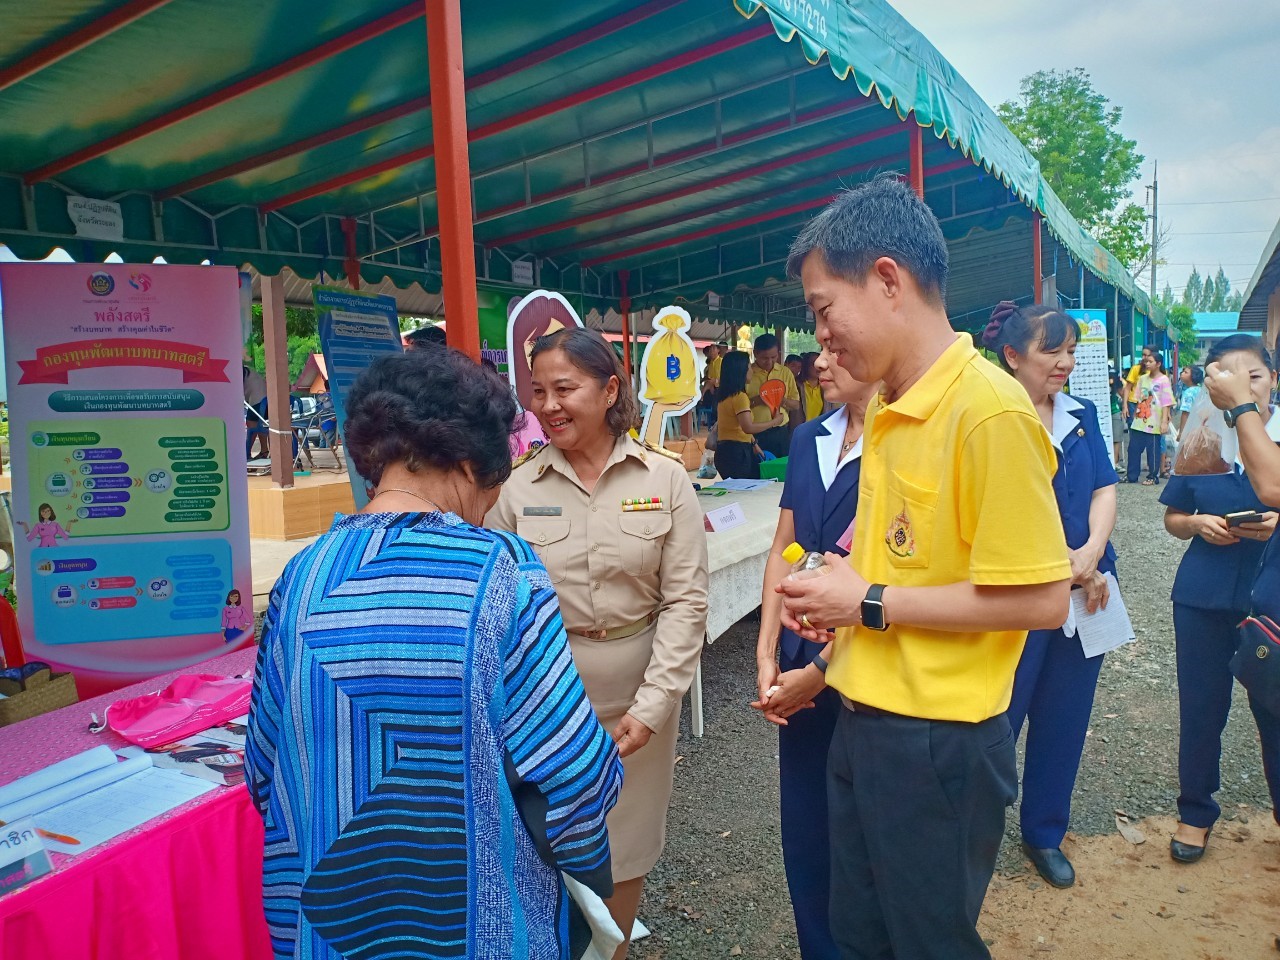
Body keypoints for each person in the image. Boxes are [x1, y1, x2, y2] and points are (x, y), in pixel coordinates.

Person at [245, 348, 623, 960]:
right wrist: (589, 872)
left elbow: (264, 769)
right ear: (470, 464)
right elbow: (571, 773)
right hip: (477, 933)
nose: (487, 509)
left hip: (332, 927)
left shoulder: (301, 578)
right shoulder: (504, 573)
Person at [778, 177, 1072, 960]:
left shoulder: (988, 412)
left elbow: (1043, 599)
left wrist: (866, 600)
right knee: (861, 934)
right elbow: (897, 560)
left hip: (938, 741)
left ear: (885, 280)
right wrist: (836, 608)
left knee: (928, 943)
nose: (821, 337)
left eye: (821, 309)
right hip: (862, 718)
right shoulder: (888, 407)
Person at [486, 327, 708, 959]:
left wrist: (653, 705)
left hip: (638, 700)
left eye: (565, 389)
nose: (548, 406)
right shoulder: (515, 489)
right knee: (540, 841)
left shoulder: (664, 480)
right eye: (538, 392)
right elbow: (495, 604)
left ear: (610, 389)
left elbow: (686, 602)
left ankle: (612, 953)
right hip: (542, 702)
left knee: (626, 845)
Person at [982, 301, 1118, 888]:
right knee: (998, 718)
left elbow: (1106, 488)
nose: (1064, 362)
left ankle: (1044, 832)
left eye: (1070, 351)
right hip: (1019, 596)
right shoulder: (994, 418)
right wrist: (1059, 567)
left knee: (1066, 716)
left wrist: (1089, 556)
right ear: (1012, 357)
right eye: (1051, 351)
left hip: (1088, 593)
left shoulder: (1083, 414)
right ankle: (977, 829)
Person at [753, 346, 879, 960]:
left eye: (836, 349)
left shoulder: (902, 442)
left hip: (872, 657)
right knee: (807, 825)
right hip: (803, 647)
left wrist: (821, 674)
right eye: (819, 348)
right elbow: (786, 541)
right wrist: (767, 647)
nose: (820, 364)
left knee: (868, 832)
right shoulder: (808, 437)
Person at [1163, 334, 1280, 861]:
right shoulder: (1202, 432)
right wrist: (1195, 523)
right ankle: (1195, 813)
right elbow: (1172, 517)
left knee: (1275, 709)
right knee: (1202, 708)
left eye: (1252, 375)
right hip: (1203, 595)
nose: (1240, 385)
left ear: (1272, 379)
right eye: (1227, 376)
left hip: (1270, 598)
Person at [714, 350, 785, 479]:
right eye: (748, 367)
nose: (751, 370)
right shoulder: (740, 397)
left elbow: (737, 426)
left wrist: (754, 444)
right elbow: (748, 427)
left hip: (727, 450)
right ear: (740, 371)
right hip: (736, 453)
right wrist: (774, 422)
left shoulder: (725, 395)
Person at [746, 333, 800, 457]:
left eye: (773, 357)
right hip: (756, 434)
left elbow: (796, 404)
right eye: (764, 358)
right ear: (755, 354)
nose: (769, 361)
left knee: (781, 471)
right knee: (758, 470)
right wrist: (758, 400)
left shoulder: (785, 373)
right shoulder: (747, 373)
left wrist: (780, 400)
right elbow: (738, 406)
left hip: (780, 432)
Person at [1126, 351, 1174, 485]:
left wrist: (1164, 421)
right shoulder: (1142, 378)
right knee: (1133, 448)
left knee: (1153, 450)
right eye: (1146, 361)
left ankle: (1153, 476)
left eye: (1150, 361)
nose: (1147, 363)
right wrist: (1135, 415)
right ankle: (1132, 475)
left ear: (1158, 364)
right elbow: (1137, 399)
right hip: (1140, 418)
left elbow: (1166, 402)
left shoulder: (1164, 379)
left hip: (1155, 420)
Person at [798, 352, 826, 424]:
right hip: (799, 430)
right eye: (814, 363)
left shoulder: (825, 387)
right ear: (806, 366)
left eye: (821, 363)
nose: (819, 367)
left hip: (818, 431)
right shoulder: (796, 385)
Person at [1178, 364, 1205, 434]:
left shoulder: (1188, 392)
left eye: (1185, 372)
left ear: (1192, 377)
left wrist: (1181, 432)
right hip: (1202, 426)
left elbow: (1185, 413)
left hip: (1191, 428)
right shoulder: (1201, 390)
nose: (1182, 373)